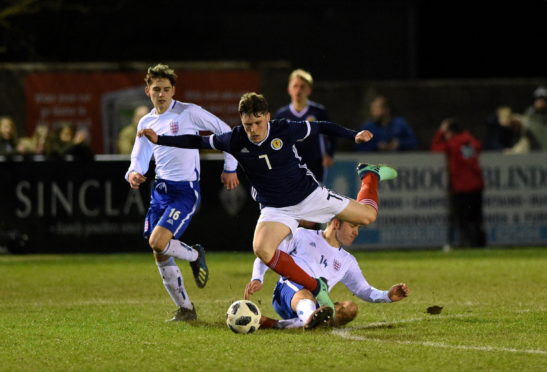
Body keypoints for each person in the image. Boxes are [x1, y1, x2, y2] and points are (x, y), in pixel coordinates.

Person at [138, 92, 398, 317]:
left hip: (309, 196)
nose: (253, 129)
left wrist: (353, 135)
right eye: (247, 123)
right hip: (276, 208)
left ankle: (369, 174)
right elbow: (197, 141)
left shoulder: (283, 129)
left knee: (367, 217)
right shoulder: (235, 139)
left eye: (257, 122)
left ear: (267, 117)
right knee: (261, 248)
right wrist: (160, 139)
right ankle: (316, 287)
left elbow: (320, 126)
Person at [125, 64, 240, 321]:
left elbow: (225, 132)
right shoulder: (146, 122)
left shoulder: (189, 112)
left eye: (167, 89)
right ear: (148, 91)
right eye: (157, 89)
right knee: (159, 250)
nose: (162, 94)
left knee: (158, 241)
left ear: (174, 90)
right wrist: (133, 173)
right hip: (160, 191)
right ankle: (187, 310)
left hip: (184, 191)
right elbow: (139, 156)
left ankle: (195, 254)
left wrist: (230, 167)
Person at [244, 217, 409, 330]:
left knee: (350, 308)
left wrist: (387, 295)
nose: (356, 232)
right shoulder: (302, 235)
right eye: (352, 226)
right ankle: (309, 320)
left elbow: (364, 290)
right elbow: (268, 253)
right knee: (306, 292)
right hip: (287, 293)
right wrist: (257, 277)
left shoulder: (347, 260)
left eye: (358, 228)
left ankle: (283, 324)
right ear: (336, 223)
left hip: (318, 305)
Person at [431, 118, 486, 248]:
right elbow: (479, 146)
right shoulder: (470, 141)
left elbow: (435, 148)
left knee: (463, 219)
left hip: (461, 187)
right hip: (477, 186)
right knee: (477, 218)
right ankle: (480, 244)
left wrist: (440, 132)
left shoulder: (453, 143)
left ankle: (466, 243)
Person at [274, 69, 334, 184]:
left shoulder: (318, 112)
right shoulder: (281, 115)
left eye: (302, 87)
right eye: (295, 86)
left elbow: (331, 135)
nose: (298, 90)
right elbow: (276, 140)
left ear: (309, 90)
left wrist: (329, 154)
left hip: (315, 165)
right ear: (289, 89)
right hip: (290, 165)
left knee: (315, 198)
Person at [522, 86, 547, 150]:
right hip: (533, 146)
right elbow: (525, 131)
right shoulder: (530, 112)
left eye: (543, 99)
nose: (541, 102)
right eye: (538, 99)